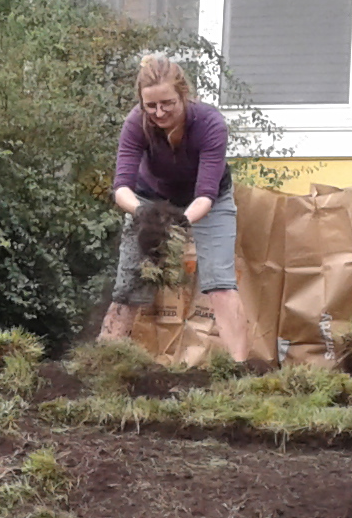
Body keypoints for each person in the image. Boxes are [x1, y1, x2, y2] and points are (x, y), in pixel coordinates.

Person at [99, 54, 252, 364]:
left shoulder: (209, 124)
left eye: (167, 103)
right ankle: (102, 364)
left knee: (220, 284)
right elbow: (122, 188)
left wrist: (178, 223)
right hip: (150, 199)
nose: (159, 112)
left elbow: (206, 195)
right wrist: (145, 216)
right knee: (129, 285)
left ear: (184, 95)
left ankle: (240, 369)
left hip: (209, 201)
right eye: (151, 105)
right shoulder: (136, 123)